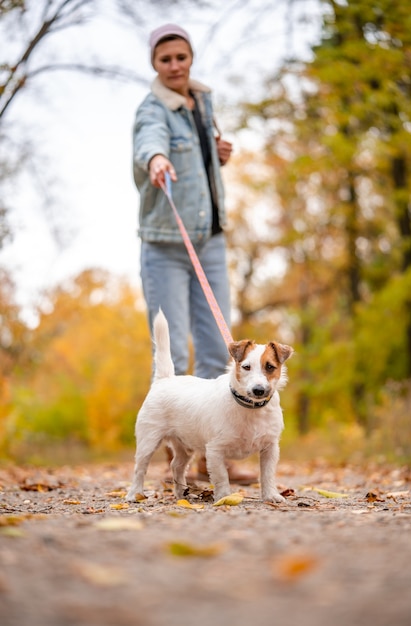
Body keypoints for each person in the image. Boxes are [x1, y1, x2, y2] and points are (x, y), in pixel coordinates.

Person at [132, 23, 257, 485]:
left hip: (210, 238)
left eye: (181, 57)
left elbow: (204, 162)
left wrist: (218, 153)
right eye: (165, 60)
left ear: (190, 57)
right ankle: (175, 460)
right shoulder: (152, 108)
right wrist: (156, 159)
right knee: (171, 346)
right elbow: (149, 138)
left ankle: (213, 458)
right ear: (155, 64)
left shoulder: (202, 103)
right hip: (165, 244)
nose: (175, 66)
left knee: (217, 346)